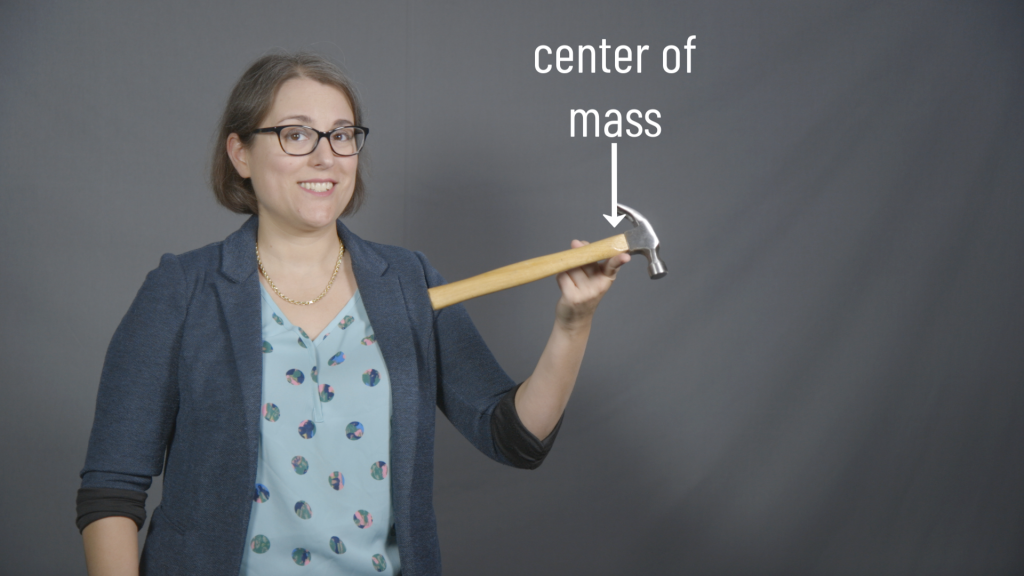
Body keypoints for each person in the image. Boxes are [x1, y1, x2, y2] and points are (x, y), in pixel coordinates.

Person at [77, 52, 629, 576]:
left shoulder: (408, 282)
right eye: (296, 134)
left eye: (342, 136)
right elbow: (112, 491)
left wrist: (573, 322)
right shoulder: (182, 290)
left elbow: (514, 436)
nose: (326, 157)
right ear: (240, 153)